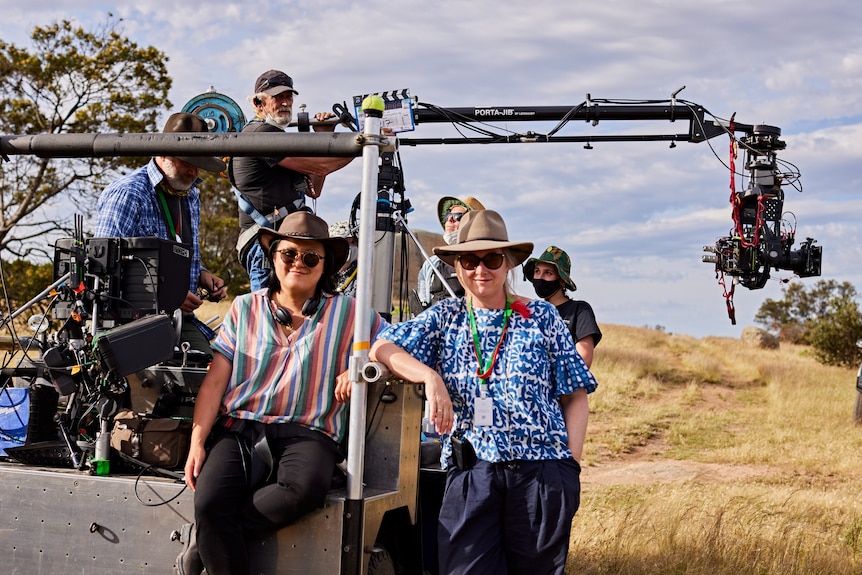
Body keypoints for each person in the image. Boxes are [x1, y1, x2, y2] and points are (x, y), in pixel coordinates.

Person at [369, 210, 597, 575]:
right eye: (469, 260)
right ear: (456, 266)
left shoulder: (541, 316)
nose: (480, 270)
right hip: (473, 474)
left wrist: (570, 466)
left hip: (541, 475)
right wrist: (430, 377)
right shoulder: (445, 318)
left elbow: (575, 395)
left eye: (491, 259)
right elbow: (382, 347)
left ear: (507, 264)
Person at [180, 211, 387, 575]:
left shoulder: (352, 314)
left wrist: (362, 365)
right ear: (273, 256)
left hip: (309, 433)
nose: (298, 263)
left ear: (326, 266)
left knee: (303, 490)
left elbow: (398, 345)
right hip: (242, 427)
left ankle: (208, 540)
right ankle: (213, 529)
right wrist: (198, 441)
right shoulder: (244, 308)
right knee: (210, 503)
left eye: (311, 257)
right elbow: (215, 382)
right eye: (289, 254)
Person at [94, 112, 228, 356]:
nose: (194, 172)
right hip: (132, 323)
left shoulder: (190, 195)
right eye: (187, 161)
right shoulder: (128, 194)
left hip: (178, 319)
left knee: (212, 372)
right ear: (163, 153)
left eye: (199, 164)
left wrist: (201, 275)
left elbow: (174, 252)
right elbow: (102, 272)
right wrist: (168, 296)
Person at [229, 69, 354, 292]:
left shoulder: (279, 138)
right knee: (270, 318)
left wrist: (323, 137)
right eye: (277, 98)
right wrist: (366, 142)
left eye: (289, 97)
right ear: (259, 104)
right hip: (266, 242)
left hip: (284, 240)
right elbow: (320, 165)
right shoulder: (261, 133)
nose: (286, 103)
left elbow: (315, 186)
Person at [524, 246, 602, 367]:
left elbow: (584, 360)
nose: (540, 277)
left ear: (561, 280)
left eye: (548, 273)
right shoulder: (530, 311)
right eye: (537, 271)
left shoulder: (579, 310)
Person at [413, 195, 485, 313]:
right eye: (448, 216)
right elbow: (422, 301)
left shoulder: (487, 263)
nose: (449, 220)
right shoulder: (432, 264)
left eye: (457, 217)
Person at [328, 219, 358, 297]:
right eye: (345, 242)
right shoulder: (321, 273)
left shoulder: (366, 277)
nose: (352, 245)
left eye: (354, 241)